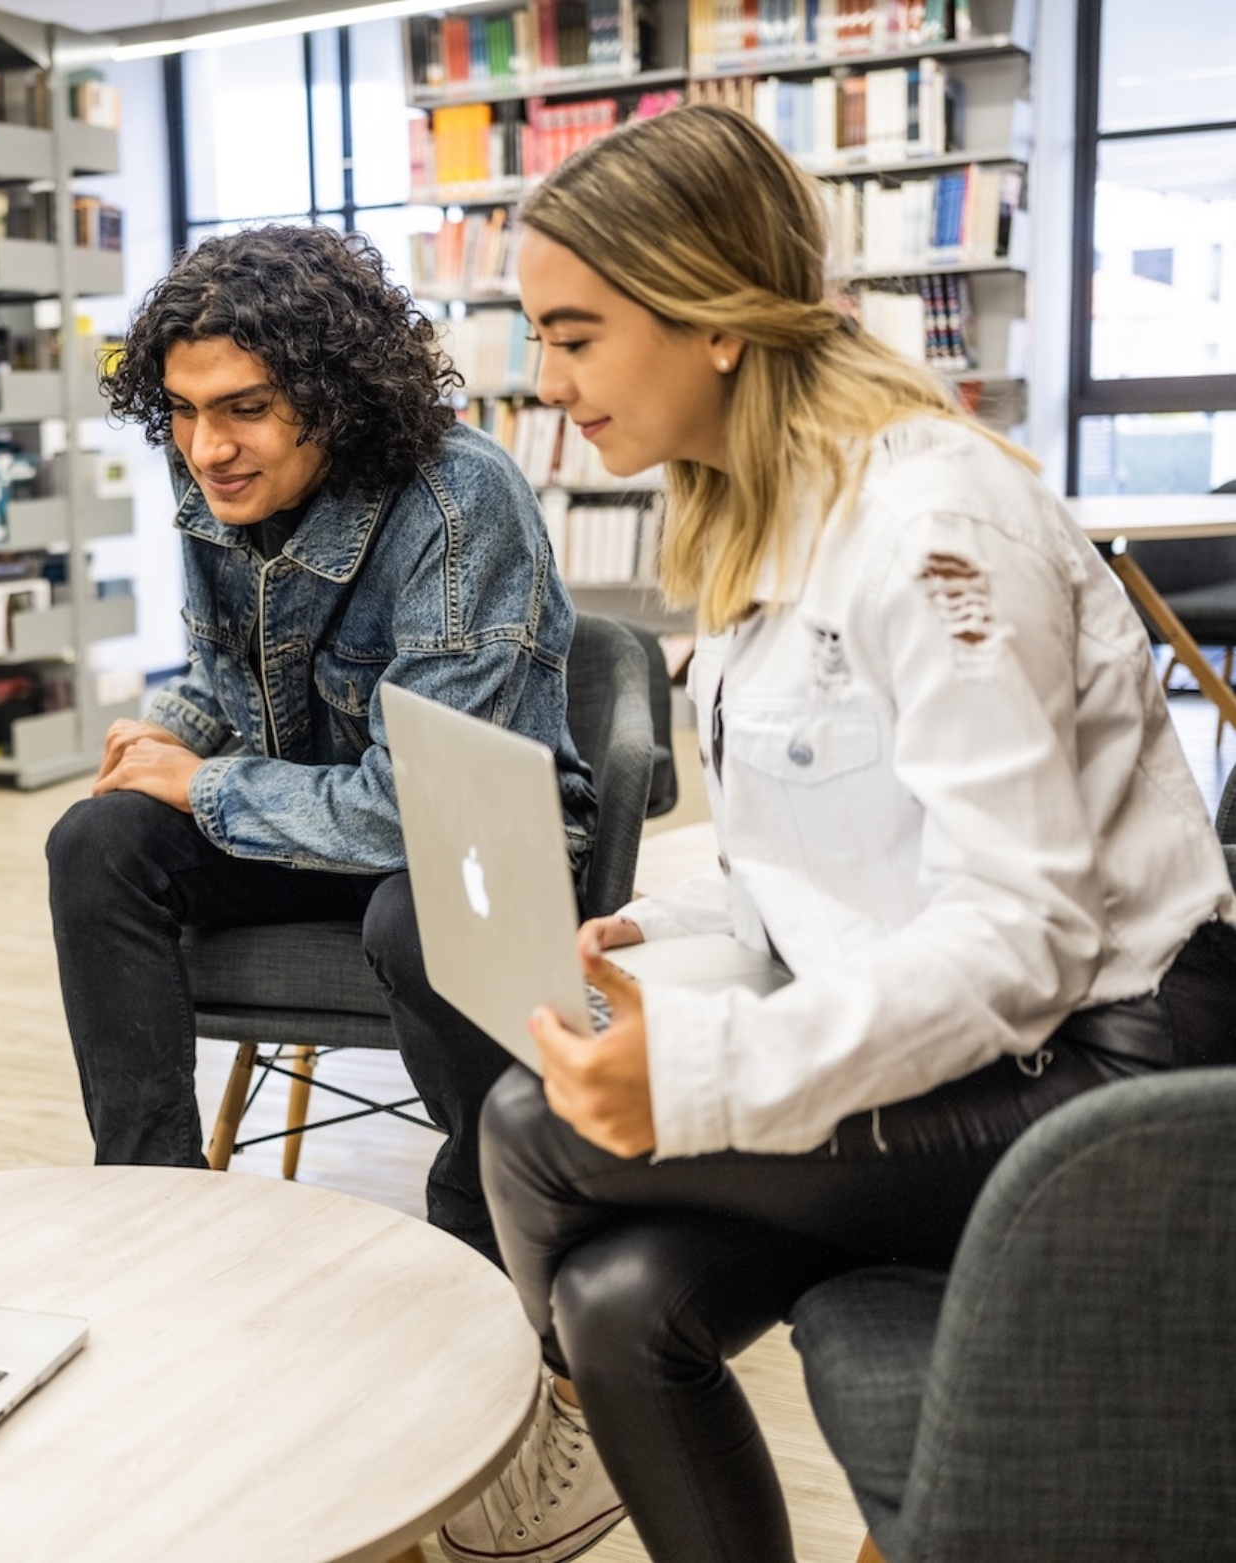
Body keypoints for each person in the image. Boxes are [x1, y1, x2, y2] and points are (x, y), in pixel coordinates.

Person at [440, 104, 1236, 1563]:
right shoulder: (757, 524)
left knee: (525, 1124)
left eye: (572, 334)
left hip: (1103, 1070)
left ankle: (544, 1442)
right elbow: (807, 862)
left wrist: (701, 1069)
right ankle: (575, 1411)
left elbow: (1022, 930)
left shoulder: (932, 527)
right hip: (982, 1047)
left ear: (709, 319)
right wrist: (658, 936)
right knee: (620, 1301)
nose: (544, 383)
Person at [46, 224, 597, 1262]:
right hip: (295, 812)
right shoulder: (213, 474)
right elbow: (228, 678)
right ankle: (152, 1202)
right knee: (97, 841)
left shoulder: (459, 501)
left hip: (472, 847)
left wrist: (205, 782)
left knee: (421, 910)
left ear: (334, 399)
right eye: (182, 410)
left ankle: (495, 1218)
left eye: (246, 409)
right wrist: (167, 737)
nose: (208, 447)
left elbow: (426, 812)